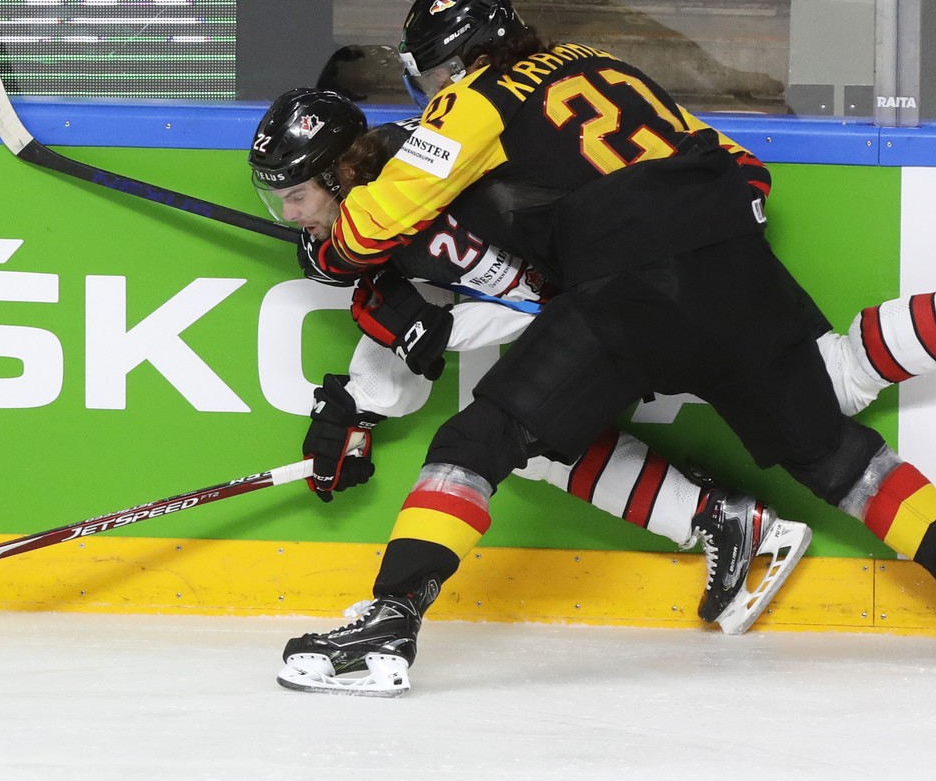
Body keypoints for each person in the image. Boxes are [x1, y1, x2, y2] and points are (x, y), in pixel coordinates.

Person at [272, 0, 936, 696]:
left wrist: (330, 251)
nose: (431, 95)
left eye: (433, 78)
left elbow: (375, 221)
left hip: (631, 283)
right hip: (727, 256)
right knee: (832, 452)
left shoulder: (475, 101)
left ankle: (385, 626)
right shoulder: (611, 66)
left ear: (455, 62)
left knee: (481, 437)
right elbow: (736, 162)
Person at [251, 87, 812, 638]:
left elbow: (508, 295)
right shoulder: (388, 213)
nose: (287, 212)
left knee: (504, 431)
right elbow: (447, 306)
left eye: (297, 194)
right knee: (529, 440)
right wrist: (359, 403)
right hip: (613, 311)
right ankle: (719, 516)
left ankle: (394, 616)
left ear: (340, 176)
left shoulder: (435, 170)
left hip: (661, 301)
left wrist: (413, 334)